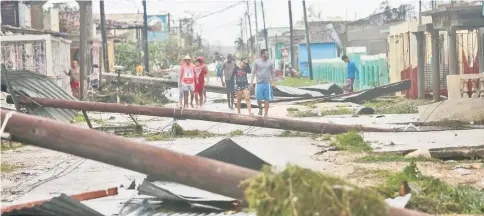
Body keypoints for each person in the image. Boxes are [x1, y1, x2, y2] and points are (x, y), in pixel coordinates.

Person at [250, 49, 276, 117]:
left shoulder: (270, 62)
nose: (268, 55)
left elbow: (273, 73)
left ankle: (266, 113)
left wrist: (274, 82)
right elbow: (253, 73)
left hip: (267, 84)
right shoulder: (256, 62)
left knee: (267, 99)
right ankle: (260, 108)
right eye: (266, 54)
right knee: (259, 99)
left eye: (268, 54)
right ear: (262, 54)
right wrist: (251, 83)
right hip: (259, 84)